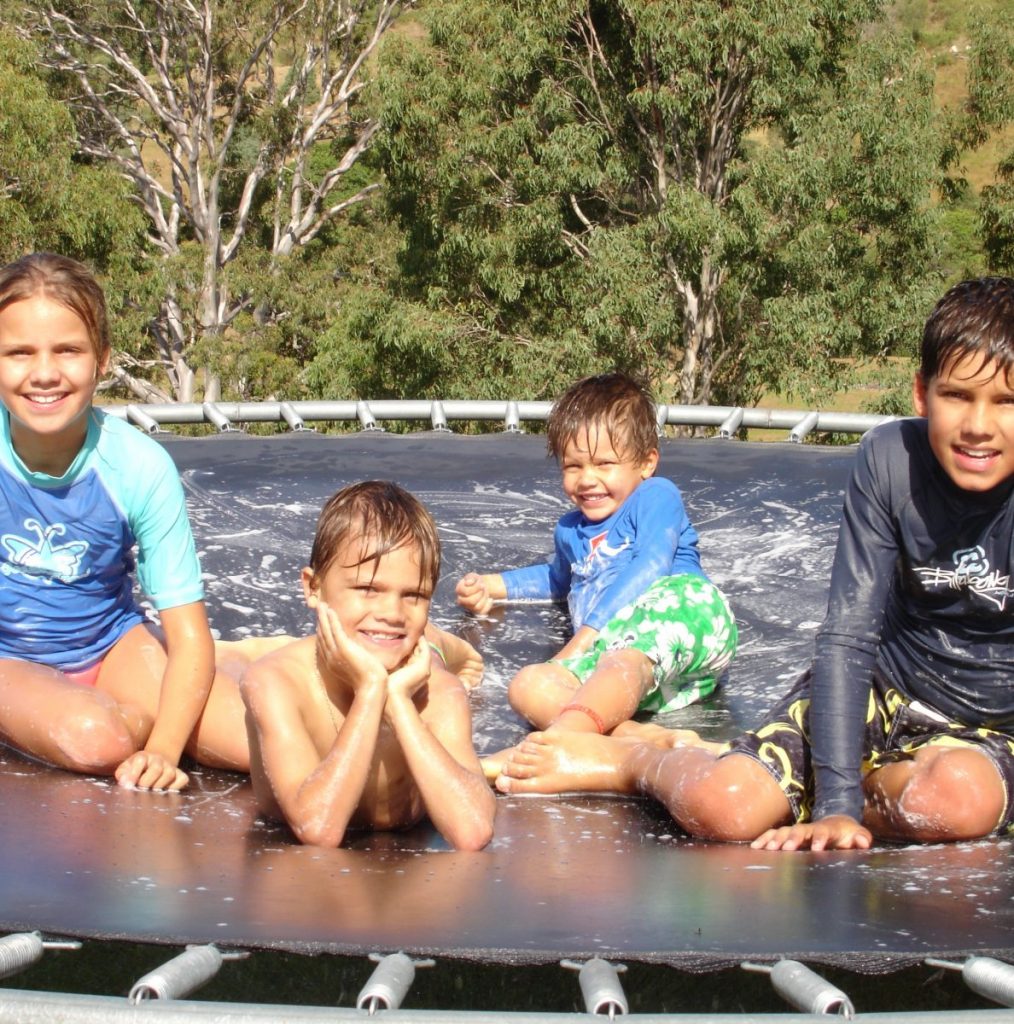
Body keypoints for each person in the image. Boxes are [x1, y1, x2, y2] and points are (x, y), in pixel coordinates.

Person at [494, 277, 1014, 852]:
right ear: (922, 394)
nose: (979, 426)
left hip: (998, 725)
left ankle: (855, 783)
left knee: (957, 798)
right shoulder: (892, 459)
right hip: (883, 689)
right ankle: (634, 759)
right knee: (727, 808)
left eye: (1006, 402)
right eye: (958, 396)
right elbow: (848, 637)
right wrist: (838, 806)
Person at [0, 252, 247, 791]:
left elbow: (188, 639)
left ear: (103, 359)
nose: (44, 372)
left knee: (254, 736)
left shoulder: (137, 466)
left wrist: (163, 749)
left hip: (110, 645)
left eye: (68, 350)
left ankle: (413, 761)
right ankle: (113, 718)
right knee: (96, 738)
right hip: (7, 659)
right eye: (19, 353)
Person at [456, 371, 737, 781]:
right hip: (626, 671)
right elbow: (559, 579)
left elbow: (652, 564)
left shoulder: (655, 495)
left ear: (646, 463)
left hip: (683, 614)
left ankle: (549, 746)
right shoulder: (570, 530)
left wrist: (584, 637)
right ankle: (643, 739)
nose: (587, 479)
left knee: (622, 657)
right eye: (573, 466)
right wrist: (494, 585)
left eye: (605, 463)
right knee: (529, 686)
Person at [237, 480, 496, 849]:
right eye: (368, 589)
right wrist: (371, 689)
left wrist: (399, 703)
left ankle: (455, 648)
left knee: (436, 655)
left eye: (414, 595)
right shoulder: (272, 681)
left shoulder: (440, 692)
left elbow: (472, 831)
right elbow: (318, 826)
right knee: (214, 704)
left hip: (417, 667)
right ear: (313, 588)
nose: (391, 613)